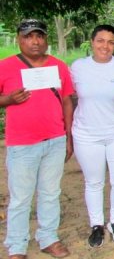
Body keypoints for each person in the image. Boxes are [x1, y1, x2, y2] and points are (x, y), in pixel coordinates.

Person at [0, 19, 74, 259]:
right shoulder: (6, 66)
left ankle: (48, 237)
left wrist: (68, 136)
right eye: (29, 36)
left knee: (50, 192)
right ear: (19, 39)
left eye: (39, 36)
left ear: (46, 40)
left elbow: (66, 101)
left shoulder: (59, 66)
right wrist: (7, 100)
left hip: (54, 139)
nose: (35, 41)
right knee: (21, 197)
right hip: (22, 143)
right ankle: (17, 245)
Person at [70, 25, 114, 247]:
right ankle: (96, 224)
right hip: (87, 134)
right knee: (94, 181)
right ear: (91, 41)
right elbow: (69, 97)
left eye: (110, 42)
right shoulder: (78, 67)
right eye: (100, 40)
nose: (105, 46)